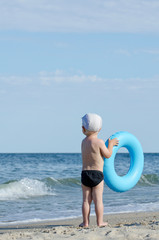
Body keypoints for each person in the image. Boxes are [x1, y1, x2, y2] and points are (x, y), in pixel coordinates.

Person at [80, 113, 119, 227]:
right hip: (97, 174)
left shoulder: (83, 142)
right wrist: (111, 144)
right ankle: (99, 222)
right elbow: (107, 155)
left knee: (86, 200)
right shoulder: (99, 142)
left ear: (83, 128)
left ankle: (85, 222)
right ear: (100, 129)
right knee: (98, 200)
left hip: (85, 174)